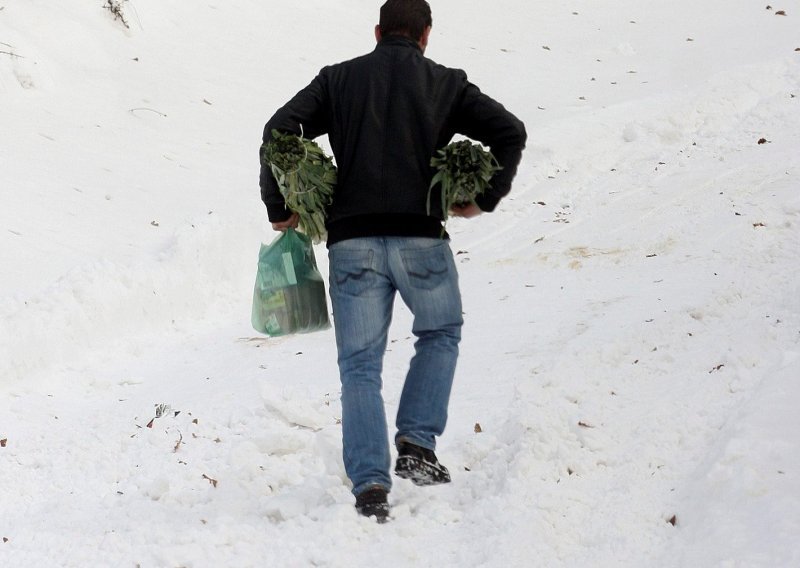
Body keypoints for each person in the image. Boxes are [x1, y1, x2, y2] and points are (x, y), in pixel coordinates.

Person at [259, 0, 526, 522]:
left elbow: (277, 132)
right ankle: (417, 445)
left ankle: (370, 487)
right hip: (420, 237)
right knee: (441, 332)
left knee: (359, 366)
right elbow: (510, 131)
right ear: (426, 36)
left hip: (351, 241)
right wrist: (481, 197)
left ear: (378, 32)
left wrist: (280, 207)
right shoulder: (447, 83)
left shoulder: (337, 80)